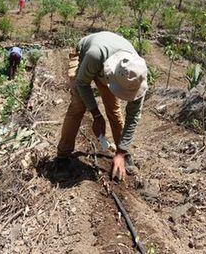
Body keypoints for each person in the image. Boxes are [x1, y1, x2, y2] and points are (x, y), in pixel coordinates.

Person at [56, 31, 148, 181]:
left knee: (113, 109)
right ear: (113, 78)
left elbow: (133, 117)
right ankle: (62, 156)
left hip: (108, 64)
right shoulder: (94, 55)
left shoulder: (137, 73)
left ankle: (122, 151)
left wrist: (121, 152)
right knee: (78, 106)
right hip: (84, 56)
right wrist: (96, 115)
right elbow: (82, 83)